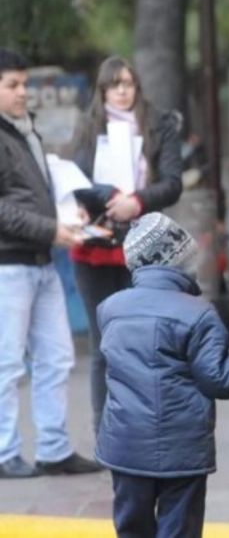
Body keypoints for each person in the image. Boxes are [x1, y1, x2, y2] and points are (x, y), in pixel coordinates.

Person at [96, 213, 229, 538]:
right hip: (181, 448)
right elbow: (219, 378)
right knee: (179, 529)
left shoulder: (109, 308)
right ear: (180, 261)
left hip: (124, 446)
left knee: (131, 528)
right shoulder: (199, 313)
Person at [69, 55, 184, 433]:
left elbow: (172, 182)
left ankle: (145, 424)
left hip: (144, 243)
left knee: (144, 338)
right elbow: (74, 181)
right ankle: (107, 428)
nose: (121, 91)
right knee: (105, 340)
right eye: (113, 85)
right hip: (96, 246)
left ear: (137, 86)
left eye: (127, 83)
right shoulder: (87, 127)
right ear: (102, 90)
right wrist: (88, 204)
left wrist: (137, 201)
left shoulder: (159, 125)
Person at [0, 47, 100, 479]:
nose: (24, 93)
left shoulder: (24, 130)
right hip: (9, 265)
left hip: (41, 261)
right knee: (5, 364)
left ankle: (55, 449)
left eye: (25, 84)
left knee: (57, 357)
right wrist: (50, 229)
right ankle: (4, 454)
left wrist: (64, 216)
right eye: (13, 85)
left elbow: (31, 194)